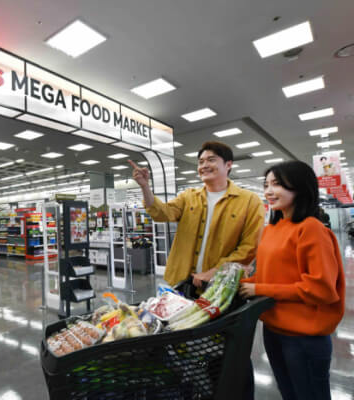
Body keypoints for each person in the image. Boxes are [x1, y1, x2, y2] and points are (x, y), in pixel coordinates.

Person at [239, 161, 345, 400]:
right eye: (266, 185)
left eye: (277, 184)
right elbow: (270, 276)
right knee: (289, 393)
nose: (269, 191)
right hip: (273, 329)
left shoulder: (311, 229)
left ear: (300, 187)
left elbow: (321, 288)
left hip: (304, 337)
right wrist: (242, 283)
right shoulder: (271, 229)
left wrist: (259, 288)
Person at [129, 141, 265, 287]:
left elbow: (250, 247)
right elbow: (161, 213)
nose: (204, 165)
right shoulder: (188, 196)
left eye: (211, 160)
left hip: (220, 286)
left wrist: (216, 271)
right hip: (181, 283)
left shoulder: (250, 201)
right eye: (201, 162)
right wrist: (145, 187)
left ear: (228, 165)